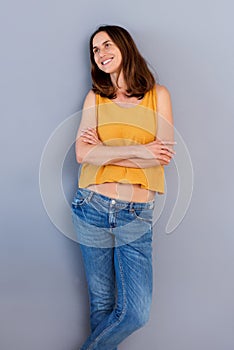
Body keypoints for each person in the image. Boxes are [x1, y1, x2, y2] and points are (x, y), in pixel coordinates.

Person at [71, 24, 175, 350]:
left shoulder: (159, 95)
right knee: (101, 304)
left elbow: (162, 157)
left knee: (135, 312)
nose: (101, 54)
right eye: (95, 50)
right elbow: (82, 154)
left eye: (106, 45)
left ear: (124, 45)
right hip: (92, 204)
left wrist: (105, 154)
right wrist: (138, 151)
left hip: (136, 211)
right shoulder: (95, 98)